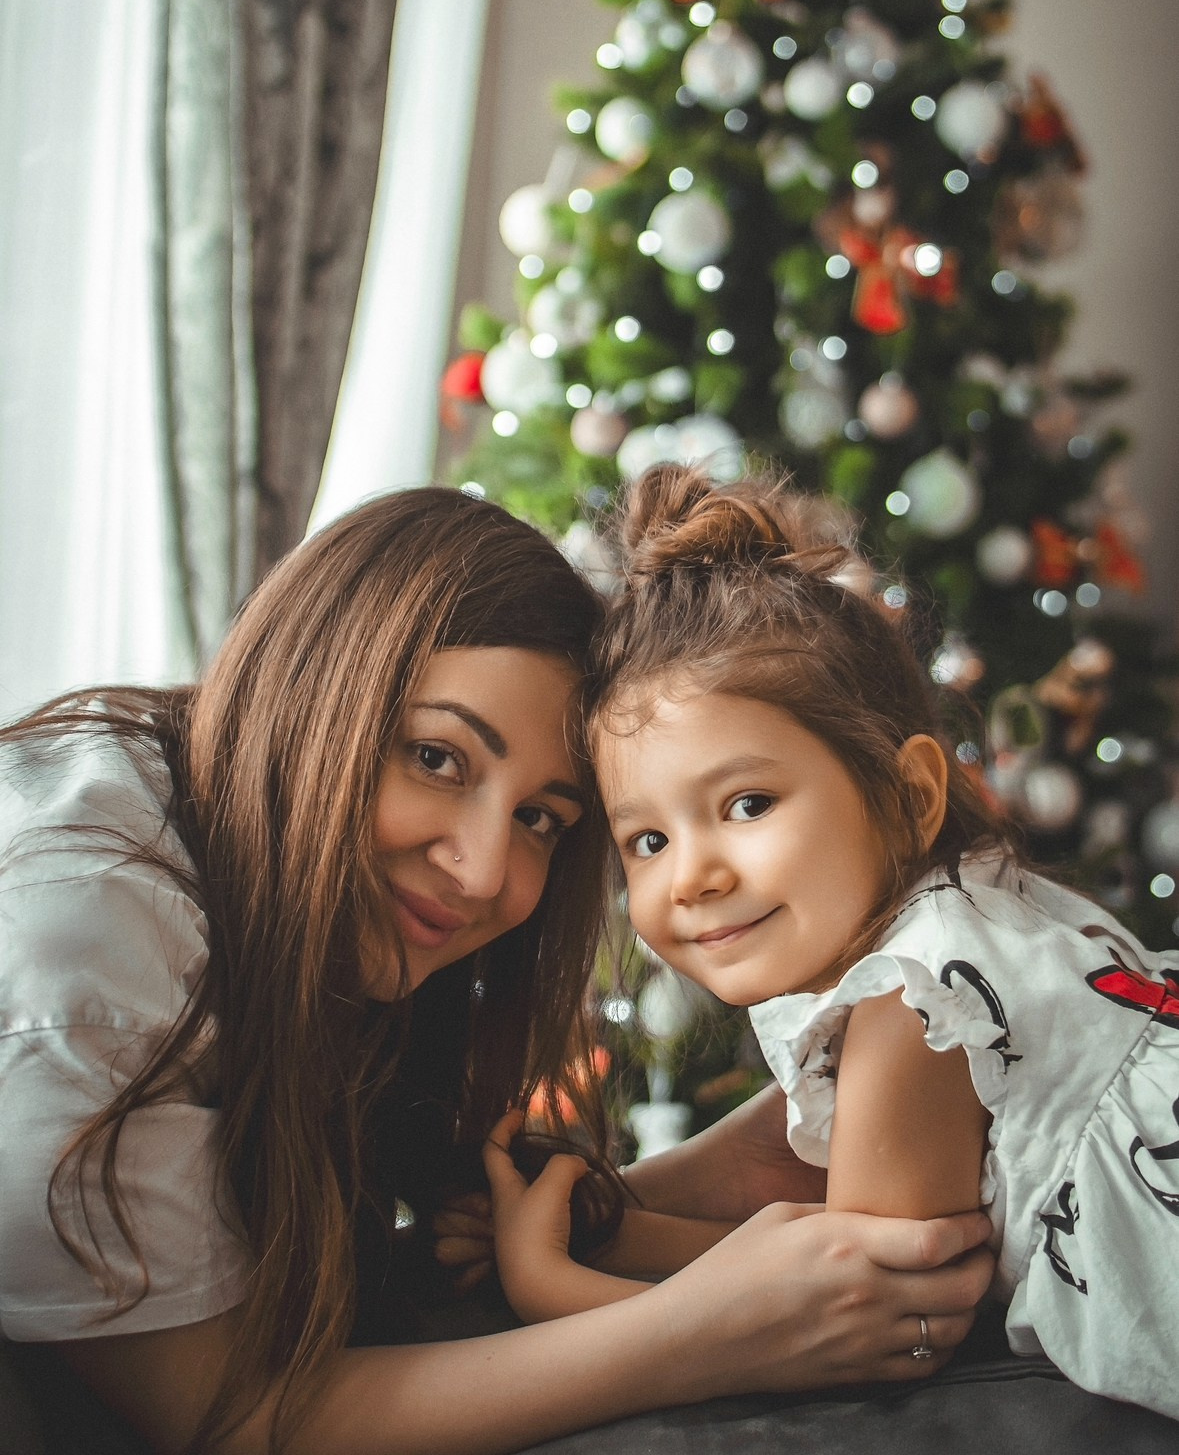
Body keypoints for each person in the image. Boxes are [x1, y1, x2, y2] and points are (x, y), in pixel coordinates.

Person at [0, 484, 992, 1455]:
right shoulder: (84, 952)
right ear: (311, 693)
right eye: (436, 758)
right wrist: (703, 1331)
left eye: (540, 820)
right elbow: (221, 1412)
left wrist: (647, 1202)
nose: (482, 875)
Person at [485, 465, 1179, 1424]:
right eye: (647, 839)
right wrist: (602, 1215)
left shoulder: (919, 998)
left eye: (748, 804)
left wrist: (551, 1280)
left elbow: (855, 1309)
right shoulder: (970, 915)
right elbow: (788, 1216)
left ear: (908, 795)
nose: (691, 875)